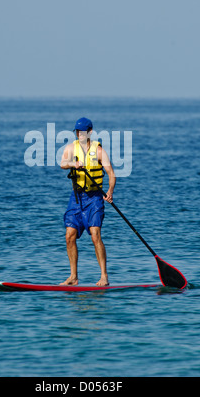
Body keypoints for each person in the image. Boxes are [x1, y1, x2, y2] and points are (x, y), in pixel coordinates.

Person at [60, 117, 116, 286]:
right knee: (69, 236)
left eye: (82, 132)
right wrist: (73, 164)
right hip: (76, 198)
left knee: (95, 235)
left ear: (89, 132)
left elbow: (111, 174)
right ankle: (73, 277)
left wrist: (109, 192)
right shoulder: (71, 148)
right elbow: (62, 163)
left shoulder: (99, 151)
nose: (79, 134)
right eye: (77, 132)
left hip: (94, 199)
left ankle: (104, 276)